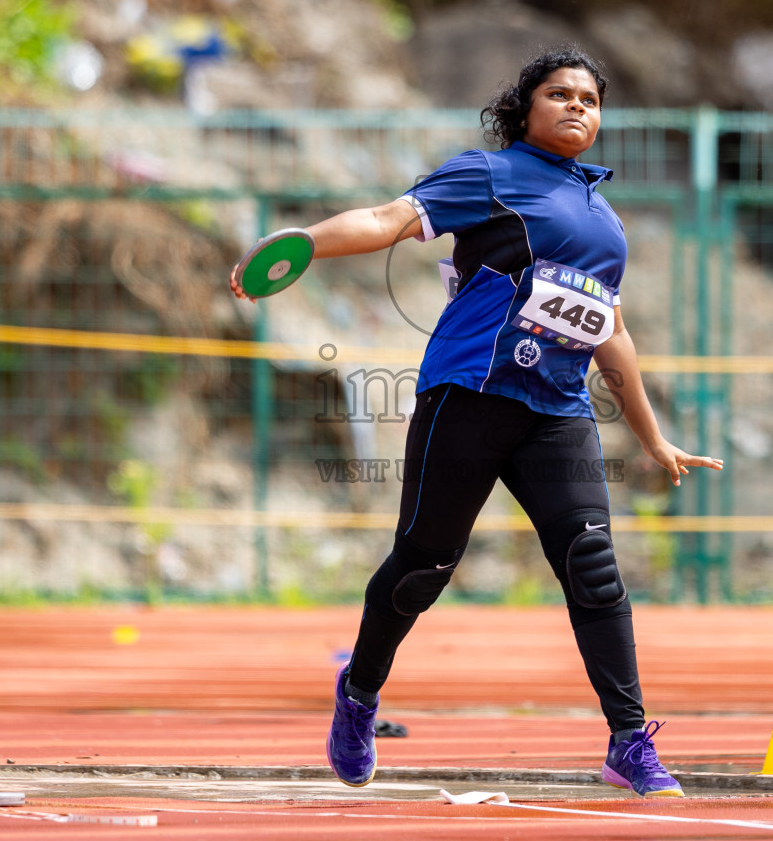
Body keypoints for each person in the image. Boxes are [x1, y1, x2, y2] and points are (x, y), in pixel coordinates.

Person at [229, 48, 722, 798]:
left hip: (559, 414)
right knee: (422, 567)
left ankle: (629, 741)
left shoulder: (605, 218)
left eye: (590, 98)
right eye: (558, 94)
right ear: (525, 109)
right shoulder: (489, 176)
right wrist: (302, 244)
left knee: (594, 571)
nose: (577, 106)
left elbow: (608, 331)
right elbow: (388, 219)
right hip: (469, 395)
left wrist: (651, 435)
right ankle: (359, 695)